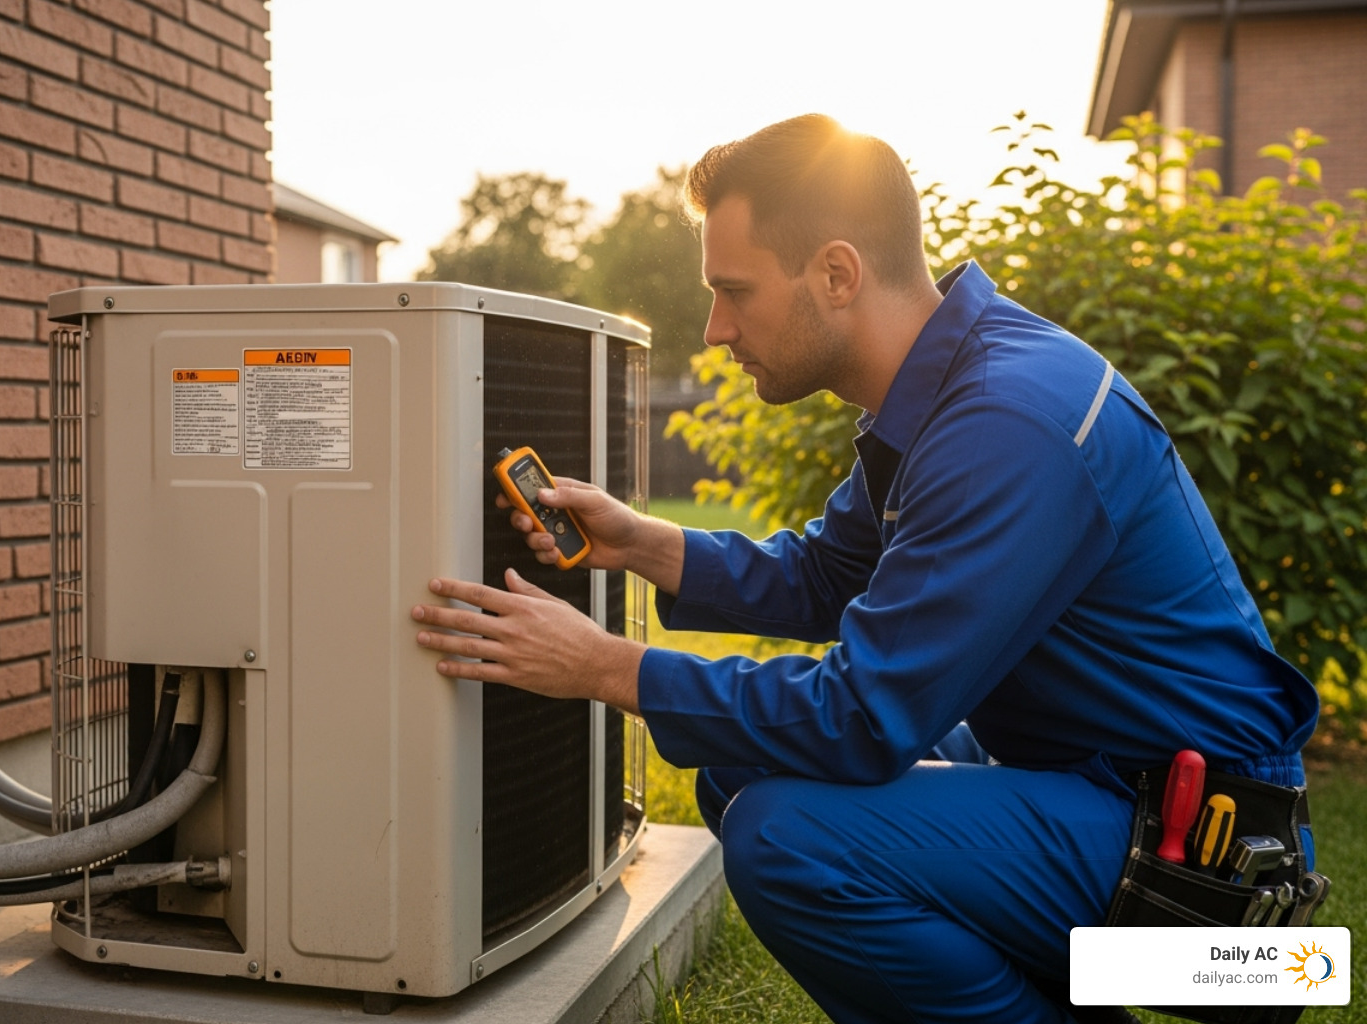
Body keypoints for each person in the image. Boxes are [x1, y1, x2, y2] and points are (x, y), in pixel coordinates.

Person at [410, 114, 1319, 1024]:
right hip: (1102, 791)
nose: (716, 329)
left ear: (837, 274)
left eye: (734, 291)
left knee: (786, 839)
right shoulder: (946, 384)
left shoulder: (1009, 422)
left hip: (1219, 898)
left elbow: (862, 721)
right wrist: (642, 543)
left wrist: (603, 666)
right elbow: (823, 573)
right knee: (740, 769)